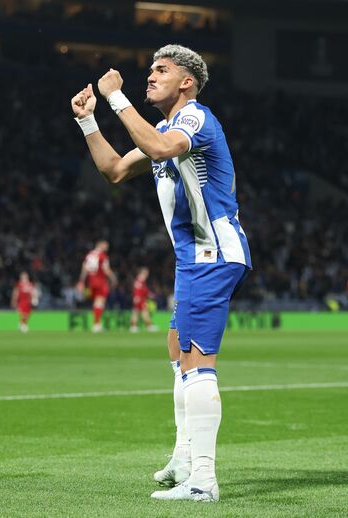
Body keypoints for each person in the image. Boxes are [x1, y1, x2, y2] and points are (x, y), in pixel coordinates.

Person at [71, 44, 251, 502]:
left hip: (211, 254)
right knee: (176, 348)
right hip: (194, 258)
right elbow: (113, 170)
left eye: (161, 70)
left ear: (186, 81)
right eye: (150, 69)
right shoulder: (168, 126)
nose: (149, 76)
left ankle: (203, 481)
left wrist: (116, 98)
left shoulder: (194, 118)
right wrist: (88, 120)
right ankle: (184, 455)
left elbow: (158, 147)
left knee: (196, 362)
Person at [76, 240, 116, 333]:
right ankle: (96, 325)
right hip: (101, 281)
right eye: (106, 245)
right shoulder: (102, 256)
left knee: (96, 303)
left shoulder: (89, 255)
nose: (107, 247)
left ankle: (96, 324)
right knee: (100, 302)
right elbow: (106, 269)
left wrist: (81, 281)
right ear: (101, 245)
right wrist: (113, 278)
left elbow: (84, 268)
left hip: (91, 282)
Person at [130, 267, 158, 332]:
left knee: (136, 312)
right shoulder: (139, 281)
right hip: (139, 299)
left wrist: (150, 294)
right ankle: (149, 326)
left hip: (140, 299)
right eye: (145, 273)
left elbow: (145, 291)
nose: (146, 275)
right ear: (142, 273)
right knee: (144, 312)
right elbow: (137, 290)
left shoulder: (141, 282)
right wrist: (137, 298)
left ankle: (133, 327)